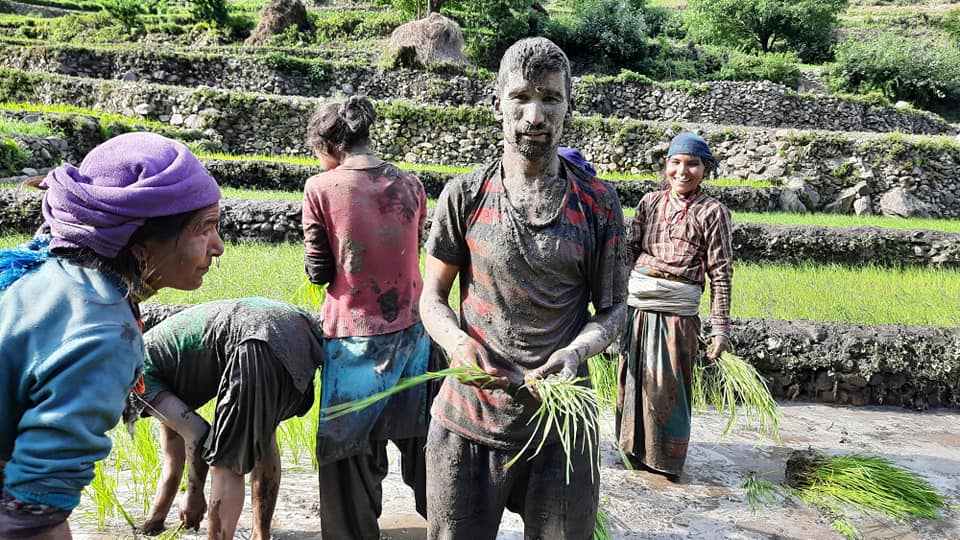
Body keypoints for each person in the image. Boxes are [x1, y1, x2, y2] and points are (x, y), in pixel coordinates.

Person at [419, 37, 627, 539]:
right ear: (498, 104)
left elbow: (615, 309)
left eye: (551, 99)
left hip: (561, 424)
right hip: (468, 419)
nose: (535, 116)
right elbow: (431, 298)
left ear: (567, 107)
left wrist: (577, 352)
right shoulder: (465, 194)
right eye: (522, 97)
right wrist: (457, 343)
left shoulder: (597, 204)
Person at [0, 132, 223, 540]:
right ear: (141, 246)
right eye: (204, 228)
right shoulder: (102, 329)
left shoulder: (40, 274)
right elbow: (31, 513)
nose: (219, 246)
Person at [301, 95, 432, 540]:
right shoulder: (412, 184)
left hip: (354, 338)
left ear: (327, 144)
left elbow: (319, 270)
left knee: (347, 459)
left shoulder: (321, 189)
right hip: (414, 334)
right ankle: (452, 524)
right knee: (424, 445)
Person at [129, 297, 323, 540]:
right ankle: (261, 534)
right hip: (297, 330)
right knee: (260, 432)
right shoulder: (160, 359)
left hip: (255, 337)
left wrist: (194, 494)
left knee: (224, 461)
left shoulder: (131, 372)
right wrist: (153, 524)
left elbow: (199, 434)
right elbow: (172, 462)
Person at [616, 132, 733, 480]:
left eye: (692, 164)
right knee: (632, 381)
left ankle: (665, 460)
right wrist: (611, 302)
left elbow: (721, 273)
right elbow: (628, 253)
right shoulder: (649, 203)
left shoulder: (713, 212)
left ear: (706, 169)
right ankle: (631, 452)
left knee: (668, 388)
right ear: (666, 166)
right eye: (676, 163)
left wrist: (720, 327)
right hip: (637, 307)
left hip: (677, 315)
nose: (683, 171)